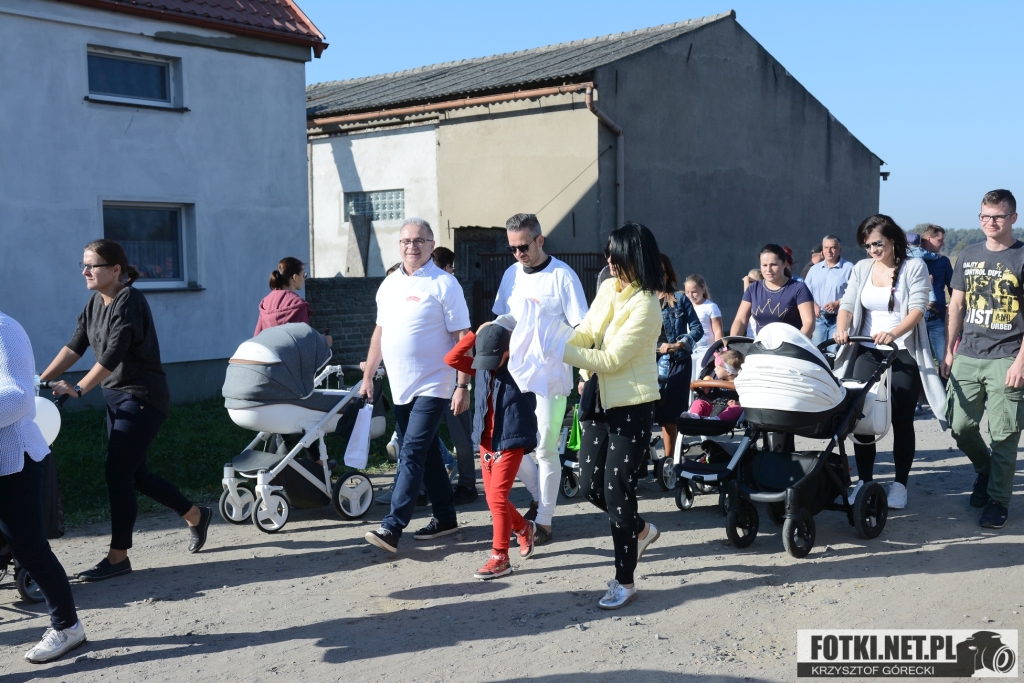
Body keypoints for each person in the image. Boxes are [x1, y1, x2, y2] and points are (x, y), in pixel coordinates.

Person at [39, 240, 211, 582]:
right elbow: (75, 347)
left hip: (142, 395)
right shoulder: (95, 303)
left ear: (116, 269)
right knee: (136, 474)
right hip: (115, 396)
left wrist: (79, 388)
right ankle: (196, 515)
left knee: (118, 473)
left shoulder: (129, 300)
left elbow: (113, 353)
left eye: (92, 265)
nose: (85, 271)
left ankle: (118, 558)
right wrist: (37, 380)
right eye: (83, 265)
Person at [561, 222, 663, 610]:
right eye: (607, 254)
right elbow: (586, 332)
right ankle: (641, 530)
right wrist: (557, 339)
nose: (609, 262)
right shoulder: (608, 288)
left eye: (616, 256)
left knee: (617, 491)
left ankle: (624, 580)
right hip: (598, 402)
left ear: (635, 257)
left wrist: (557, 350)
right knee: (590, 486)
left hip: (632, 406)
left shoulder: (647, 304)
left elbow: (612, 359)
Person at [360, 219, 471, 553]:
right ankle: (446, 517)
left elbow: (463, 337)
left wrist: (462, 385)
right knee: (428, 452)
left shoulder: (445, 284)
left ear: (431, 245)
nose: (412, 246)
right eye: (406, 241)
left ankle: (392, 527)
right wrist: (368, 374)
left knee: (410, 451)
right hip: (400, 386)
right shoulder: (389, 285)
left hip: (435, 383)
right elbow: (380, 332)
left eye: (420, 240)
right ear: (399, 245)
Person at [833, 216, 946, 509]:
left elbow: (918, 309)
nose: (872, 250)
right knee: (862, 418)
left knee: (901, 417)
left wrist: (893, 333)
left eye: (877, 243)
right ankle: (864, 482)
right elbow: (848, 304)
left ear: (893, 239)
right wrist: (842, 327)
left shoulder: (914, 266)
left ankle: (899, 485)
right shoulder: (862, 268)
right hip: (867, 350)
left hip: (903, 350)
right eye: (867, 245)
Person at [492, 213, 588, 546]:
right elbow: (503, 319)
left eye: (524, 246)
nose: (519, 253)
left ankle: (544, 520)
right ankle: (537, 496)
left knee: (546, 448)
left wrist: (584, 370)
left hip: (551, 376)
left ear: (540, 240)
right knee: (510, 444)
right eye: (513, 248)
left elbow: (581, 327)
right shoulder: (510, 275)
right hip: (514, 375)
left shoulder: (563, 276)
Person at [0, 311, 86, 663]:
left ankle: (67, 626)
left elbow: (19, 397)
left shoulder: (5, 330)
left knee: (28, 548)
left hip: (13, 458)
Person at [942, 189, 1023, 529]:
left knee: (1004, 434)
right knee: (960, 426)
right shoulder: (968, 254)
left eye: (998, 216)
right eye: (985, 216)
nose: (991, 222)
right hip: (968, 353)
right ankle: (986, 470)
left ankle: (998, 500)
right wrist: (949, 350)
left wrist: (1021, 362)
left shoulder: (1021, 257)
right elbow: (956, 305)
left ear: (1013, 218)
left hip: (1008, 355)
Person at [445, 322, 538, 578]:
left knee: (496, 498)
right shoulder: (483, 367)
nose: (489, 365)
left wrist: (514, 339)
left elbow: (537, 348)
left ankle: (500, 558)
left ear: (509, 351)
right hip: (486, 440)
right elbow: (451, 359)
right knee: (494, 499)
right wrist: (475, 335)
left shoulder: (521, 366)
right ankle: (523, 528)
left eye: (495, 359)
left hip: (512, 439)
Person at [431, 246, 477, 504]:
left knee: (460, 433)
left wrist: (463, 385)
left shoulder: (451, 288)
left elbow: (465, 340)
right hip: (436, 375)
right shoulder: (434, 287)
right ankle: (435, 483)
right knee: (441, 434)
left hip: (451, 375)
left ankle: (468, 485)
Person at [655, 255, 704, 463]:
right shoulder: (641, 299)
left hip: (676, 361)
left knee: (669, 415)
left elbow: (697, 329)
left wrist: (679, 344)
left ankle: (669, 462)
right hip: (648, 361)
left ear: (668, 274)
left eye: (661, 271)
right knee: (645, 413)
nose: (658, 275)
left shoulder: (679, 299)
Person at [731, 244, 815, 338]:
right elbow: (740, 321)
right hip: (760, 345)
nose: (768, 270)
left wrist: (796, 342)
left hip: (791, 345)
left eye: (773, 265)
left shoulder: (799, 288)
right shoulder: (753, 289)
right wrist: (732, 342)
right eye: (764, 265)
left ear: (784, 264)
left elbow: (809, 323)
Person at [805, 235, 853, 347]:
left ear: (840, 250)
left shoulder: (849, 268)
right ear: (822, 250)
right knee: (817, 351)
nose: (829, 251)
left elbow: (854, 293)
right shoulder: (814, 270)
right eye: (826, 247)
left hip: (838, 320)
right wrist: (813, 304)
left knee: (833, 352)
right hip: (818, 320)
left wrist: (838, 303)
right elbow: (805, 292)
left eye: (833, 247)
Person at [918, 225, 954, 365]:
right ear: (929, 238)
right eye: (940, 240)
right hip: (915, 318)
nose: (943, 243)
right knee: (916, 361)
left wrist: (953, 305)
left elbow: (953, 287)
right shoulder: (909, 260)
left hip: (937, 318)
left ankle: (944, 379)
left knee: (944, 359)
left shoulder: (943, 261)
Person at [682, 348, 745, 422]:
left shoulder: (741, 383)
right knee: (698, 402)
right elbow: (709, 397)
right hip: (713, 408)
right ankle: (695, 415)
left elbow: (746, 399)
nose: (714, 369)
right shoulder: (715, 381)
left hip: (727, 412)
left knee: (737, 409)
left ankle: (717, 419)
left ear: (728, 372)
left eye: (717, 368)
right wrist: (706, 389)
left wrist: (738, 403)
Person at [684, 274, 722, 352]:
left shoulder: (711, 307)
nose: (690, 295)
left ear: (703, 289)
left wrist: (718, 350)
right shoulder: (684, 307)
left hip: (707, 351)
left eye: (694, 292)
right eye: (687, 292)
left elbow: (717, 331)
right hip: (689, 351)